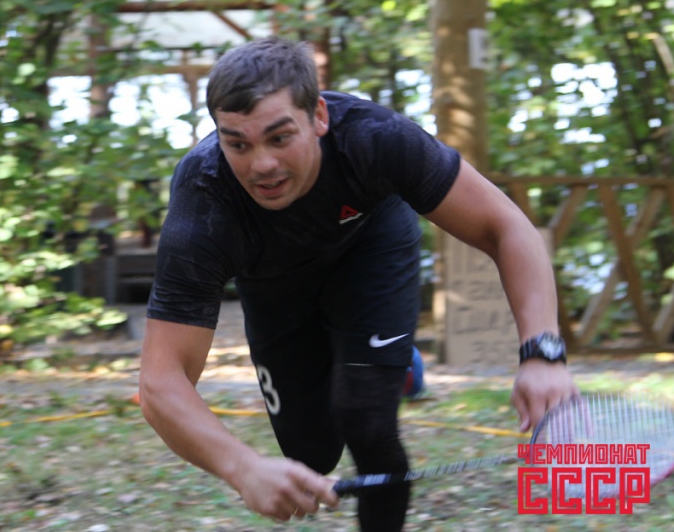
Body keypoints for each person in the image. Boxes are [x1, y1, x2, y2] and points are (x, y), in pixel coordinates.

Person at [138, 37, 578, 531]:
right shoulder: (205, 199)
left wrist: (542, 352)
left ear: (318, 117)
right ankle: (379, 354)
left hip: (369, 249)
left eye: (279, 138)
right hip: (273, 283)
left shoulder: (375, 139)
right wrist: (242, 467)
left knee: (366, 419)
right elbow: (160, 382)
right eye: (237, 144)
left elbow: (506, 227)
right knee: (310, 454)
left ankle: (381, 356)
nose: (261, 165)